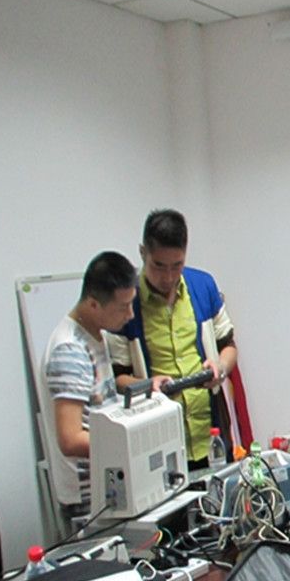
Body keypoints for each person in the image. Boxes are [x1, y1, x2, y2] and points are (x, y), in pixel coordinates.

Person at [107, 209, 242, 469]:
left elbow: (228, 346)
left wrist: (220, 367)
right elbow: (118, 378)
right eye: (158, 266)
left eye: (177, 265)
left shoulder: (203, 286)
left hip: (210, 433)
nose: (168, 277)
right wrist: (148, 385)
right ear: (143, 253)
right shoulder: (126, 301)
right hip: (158, 438)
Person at [40, 251, 137, 523]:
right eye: (123, 307)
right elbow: (70, 439)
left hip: (108, 484)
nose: (130, 314)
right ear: (94, 304)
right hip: (89, 499)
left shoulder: (94, 335)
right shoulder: (70, 350)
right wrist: (129, 442)